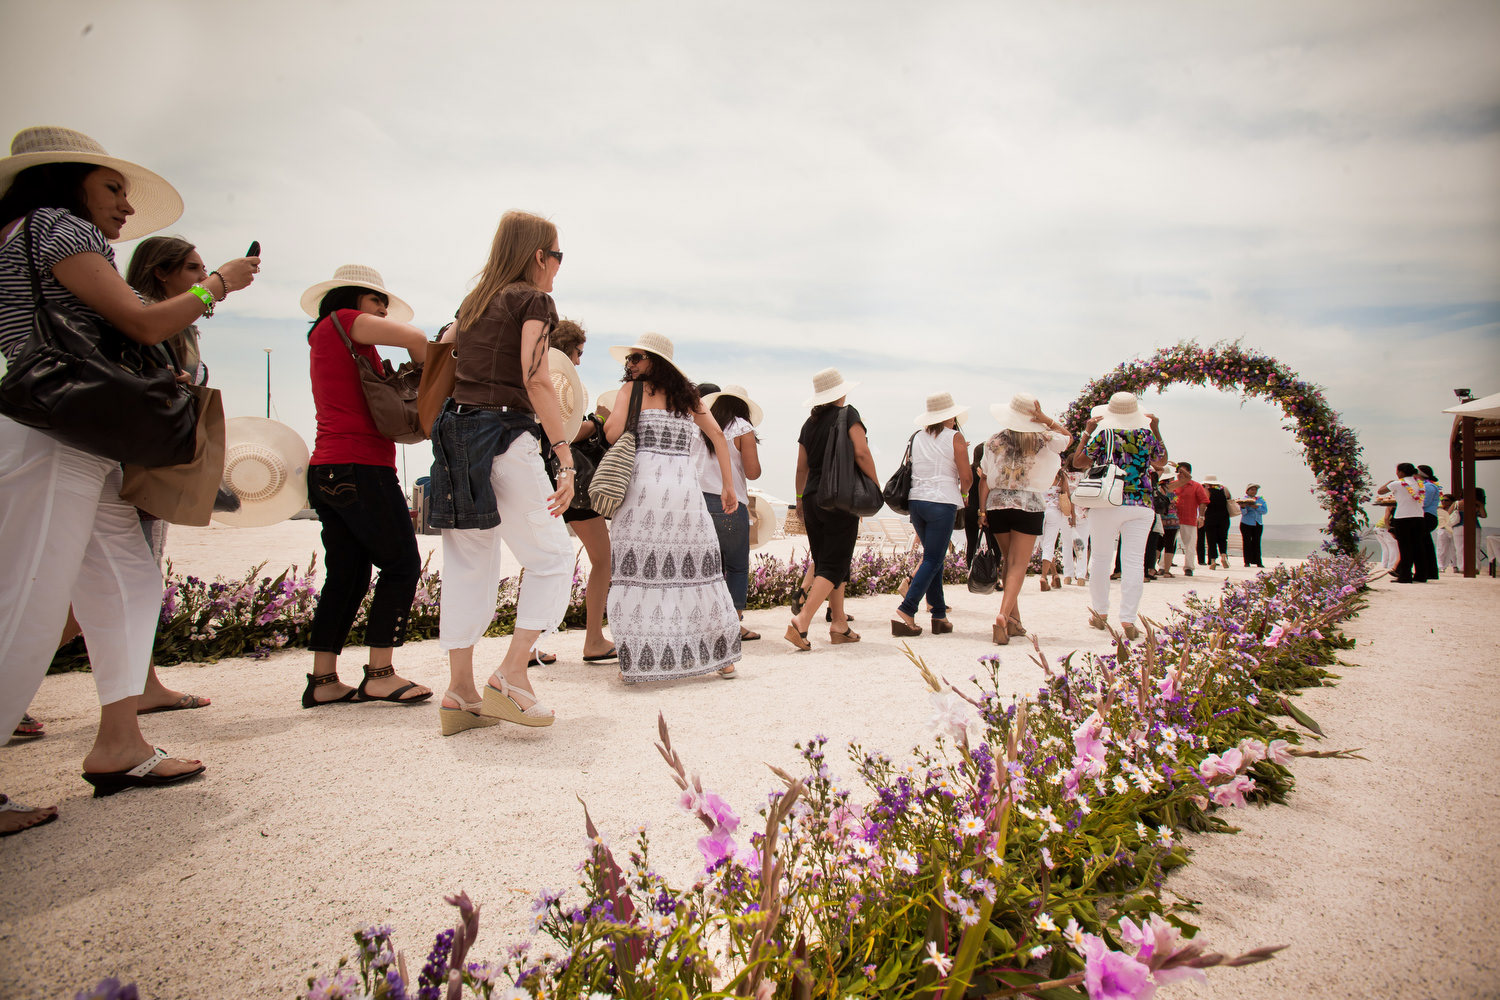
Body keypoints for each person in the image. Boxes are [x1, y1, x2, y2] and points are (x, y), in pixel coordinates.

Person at [0, 125, 258, 821]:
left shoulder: (24, 232)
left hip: (74, 433)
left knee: (128, 578)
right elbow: (143, 323)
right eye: (113, 187)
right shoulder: (56, 225)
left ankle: (119, 740)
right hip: (56, 432)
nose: (124, 204)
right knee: (30, 597)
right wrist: (218, 286)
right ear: (68, 179)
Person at [430, 211, 577, 732]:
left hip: (457, 437)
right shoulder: (532, 300)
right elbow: (535, 378)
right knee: (554, 557)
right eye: (557, 256)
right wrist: (563, 455)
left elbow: (445, 356)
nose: (559, 267)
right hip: (507, 436)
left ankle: (461, 692)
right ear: (539, 255)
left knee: (470, 562)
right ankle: (512, 674)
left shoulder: (471, 305)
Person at [299, 265, 432, 710]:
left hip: (331, 468)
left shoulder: (333, 339)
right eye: (379, 301)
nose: (384, 310)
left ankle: (323, 680)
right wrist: (429, 374)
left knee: (349, 575)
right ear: (354, 298)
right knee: (401, 563)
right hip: (359, 467)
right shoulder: (343, 322)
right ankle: (379, 674)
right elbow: (414, 337)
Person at [604, 333, 742, 680]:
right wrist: (728, 484)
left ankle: (636, 658)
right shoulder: (688, 397)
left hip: (642, 491)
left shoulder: (631, 392)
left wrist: (607, 416)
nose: (630, 364)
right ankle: (720, 655)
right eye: (630, 359)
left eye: (637, 358)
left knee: (638, 571)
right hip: (683, 493)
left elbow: (611, 434)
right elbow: (717, 436)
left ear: (654, 361)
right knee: (697, 570)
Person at [787, 368, 876, 650]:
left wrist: (800, 498)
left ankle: (839, 624)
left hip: (812, 497)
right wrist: (874, 484)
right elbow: (861, 451)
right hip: (839, 497)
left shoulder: (808, 423)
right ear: (841, 392)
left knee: (828, 560)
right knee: (834, 564)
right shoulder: (848, 414)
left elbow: (801, 466)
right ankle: (801, 622)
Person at [1069, 392, 1167, 639]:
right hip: (1141, 503)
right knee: (1134, 561)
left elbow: (1080, 462)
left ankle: (1100, 614)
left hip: (1107, 501)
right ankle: (1128, 620)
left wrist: (1086, 433)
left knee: (1101, 558)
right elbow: (1162, 461)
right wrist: (1155, 428)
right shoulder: (1146, 435)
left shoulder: (1104, 434)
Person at [547, 318, 617, 663]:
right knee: (602, 559)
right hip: (567, 477)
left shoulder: (532, 373)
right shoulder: (557, 379)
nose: (578, 361)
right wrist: (600, 421)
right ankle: (593, 639)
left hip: (540, 476)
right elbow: (561, 432)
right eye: (578, 353)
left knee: (539, 560)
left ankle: (531, 645)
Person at [976, 394, 1071, 645]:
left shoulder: (994, 440)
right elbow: (1068, 439)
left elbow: (985, 476)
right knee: (1018, 565)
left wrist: (982, 511)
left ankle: (1014, 621)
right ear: (1033, 415)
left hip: (997, 503)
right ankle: (1003, 616)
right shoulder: (1043, 438)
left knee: (1009, 562)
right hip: (1028, 503)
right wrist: (1046, 420)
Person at [892, 393, 971, 637]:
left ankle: (939, 615)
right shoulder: (955, 437)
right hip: (941, 502)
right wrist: (964, 494)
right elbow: (966, 478)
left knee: (932, 557)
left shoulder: (916, 437)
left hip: (917, 502)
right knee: (934, 559)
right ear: (950, 416)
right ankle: (908, 608)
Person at [699, 384, 765, 641]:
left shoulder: (701, 425)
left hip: (699, 503)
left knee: (708, 567)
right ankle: (732, 625)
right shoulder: (742, 428)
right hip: (730, 503)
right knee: (736, 566)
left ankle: (705, 623)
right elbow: (752, 472)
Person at [1376, 464, 1433, 583]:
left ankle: (1405, 576)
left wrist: (1389, 482)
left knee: (1405, 547)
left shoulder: (1397, 483)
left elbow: (1380, 491)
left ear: (1401, 472)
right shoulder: (1420, 484)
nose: (1396, 473)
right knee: (1418, 547)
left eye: (1397, 471)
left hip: (1403, 518)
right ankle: (1421, 575)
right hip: (1419, 518)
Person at [1164, 462, 1208, 577]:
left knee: (1190, 544)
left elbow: (1203, 501)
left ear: (1188, 472)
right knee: (1168, 543)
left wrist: (1201, 517)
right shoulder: (1173, 484)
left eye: (1182, 471)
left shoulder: (1196, 486)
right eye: (1178, 472)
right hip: (1172, 519)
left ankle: (1188, 567)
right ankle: (1163, 566)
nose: (1180, 474)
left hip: (1189, 518)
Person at [1037, 468, 1077, 591]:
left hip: (1039, 509)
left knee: (1045, 544)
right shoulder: (1060, 475)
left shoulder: (1040, 470)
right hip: (1054, 510)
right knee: (1049, 544)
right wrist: (1073, 516)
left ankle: (1054, 575)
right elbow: (1067, 495)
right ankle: (1045, 577)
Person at [1415, 465, 1442, 582]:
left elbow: (1425, 502)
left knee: (1420, 543)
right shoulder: (1425, 486)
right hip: (1426, 516)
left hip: (1428, 517)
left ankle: (1425, 571)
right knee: (1427, 544)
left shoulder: (1429, 486)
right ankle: (1431, 572)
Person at [1200, 475, 1232, 569]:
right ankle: (1223, 556)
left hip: (1211, 517)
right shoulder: (1224, 489)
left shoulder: (1206, 491)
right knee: (1223, 538)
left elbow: (1204, 503)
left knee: (1211, 539)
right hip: (1224, 517)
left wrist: (1201, 516)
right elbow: (1229, 499)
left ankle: (1213, 560)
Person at [1238, 483, 1268, 567]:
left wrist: (1256, 507)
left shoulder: (1260, 500)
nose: (1254, 491)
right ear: (1247, 491)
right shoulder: (1244, 499)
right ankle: (1247, 562)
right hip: (1246, 523)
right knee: (1247, 542)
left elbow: (1265, 511)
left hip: (1257, 523)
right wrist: (1243, 507)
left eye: (1255, 490)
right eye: (1252, 490)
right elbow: (1243, 513)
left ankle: (1258, 561)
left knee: (1257, 542)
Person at [1434, 494, 1459, 574]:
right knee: (1441, 549)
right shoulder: (1439, 510)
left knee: (1454, 548)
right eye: (1442, 500)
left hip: (1453, 529)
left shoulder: (1455, 509)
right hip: (1442, 529)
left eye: (1446, 500)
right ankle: (1441, 566)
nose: (1444, 502)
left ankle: (1455, 565)